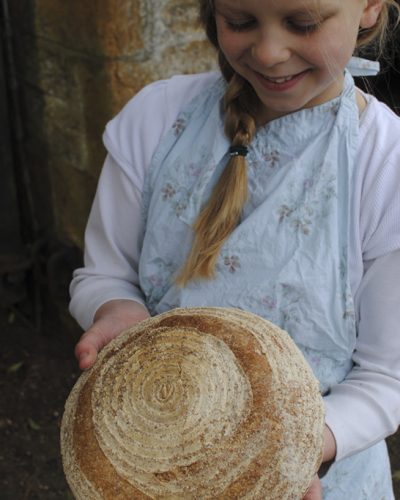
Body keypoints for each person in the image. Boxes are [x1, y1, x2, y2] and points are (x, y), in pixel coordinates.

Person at [69, 0, 400, 498]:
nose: (269, 53)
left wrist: (296, 449)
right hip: (153, 472)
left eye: (303, 23)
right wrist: (116, 308)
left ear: (370, 8)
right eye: (240, 22)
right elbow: (104, 274)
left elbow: (387, 377)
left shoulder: (384, 165)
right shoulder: (155, 120)